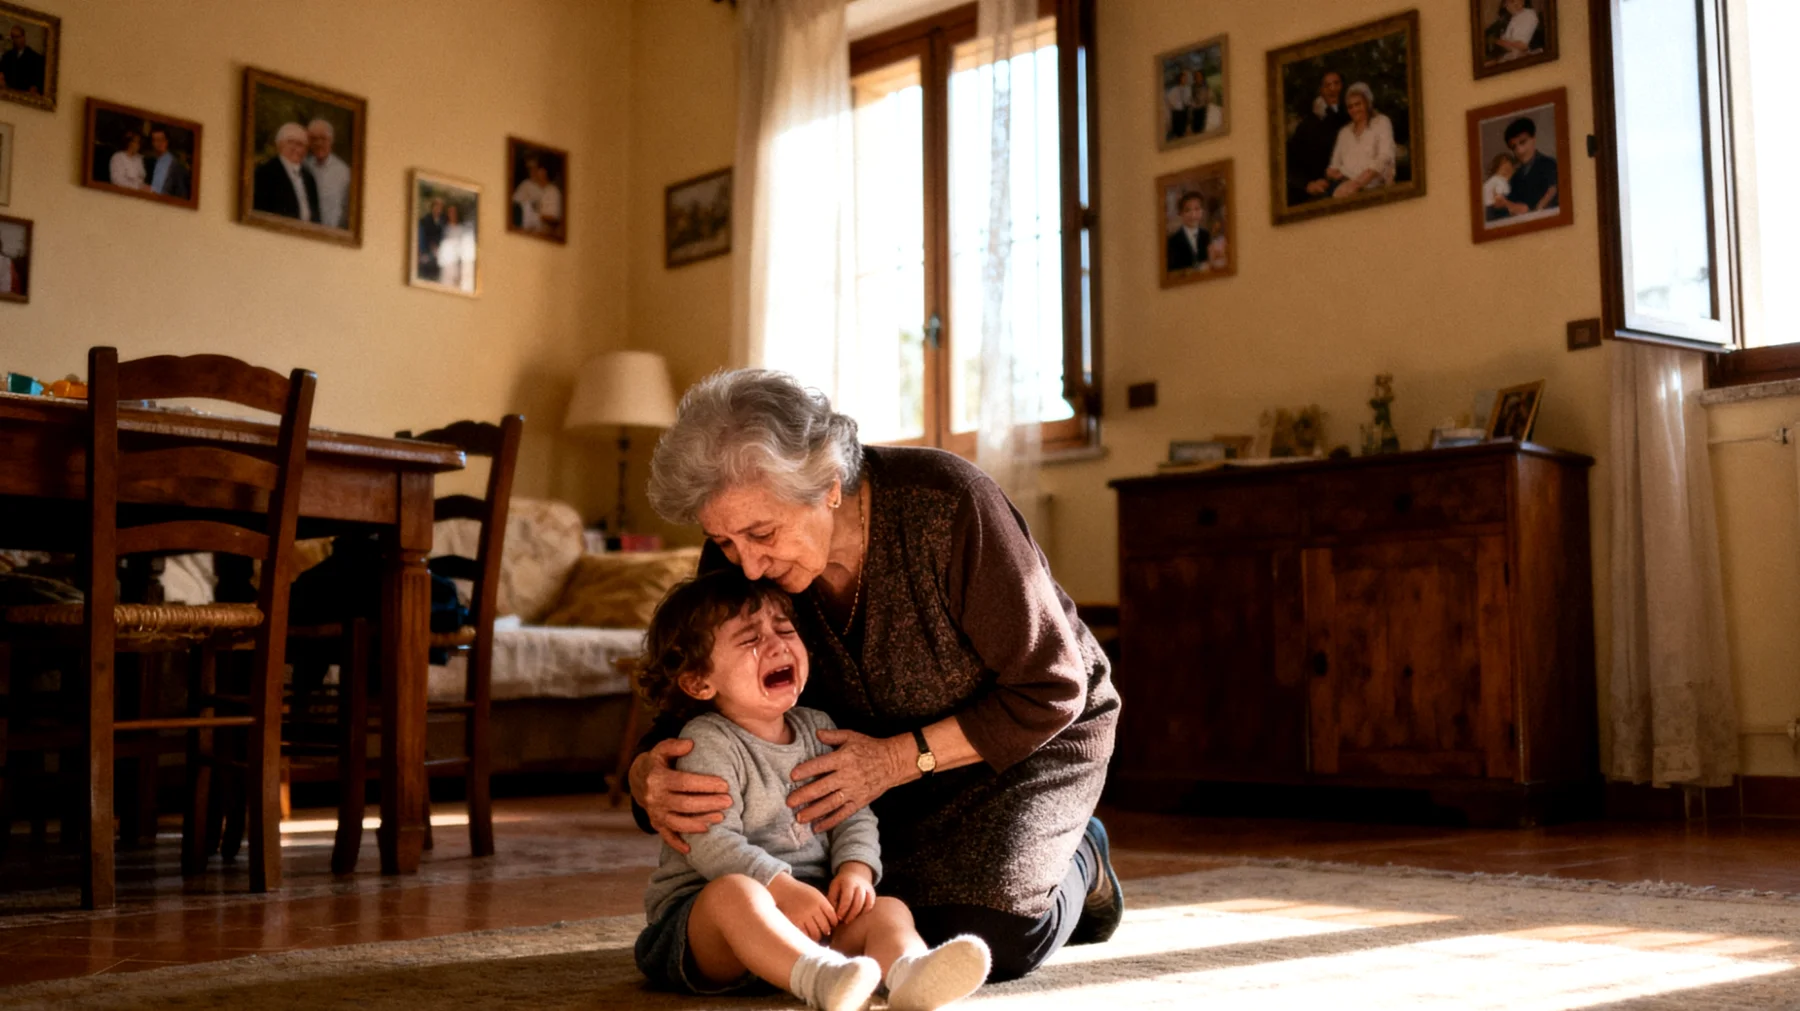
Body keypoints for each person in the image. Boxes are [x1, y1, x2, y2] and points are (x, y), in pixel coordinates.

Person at [631, 369, 1123, 983]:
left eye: (762, 534)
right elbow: (691, 696)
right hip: (862, 778)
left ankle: (1083, 856)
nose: (748, 565)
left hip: (1020, 745)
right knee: (871, 919)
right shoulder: (741, 551)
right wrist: (648, 773)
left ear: (828, 486)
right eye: (725, 544)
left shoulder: (948, 505)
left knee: (988, 938)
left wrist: (894, 761)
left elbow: (1051, 688)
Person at [634, 569, 992, 1010]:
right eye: (750, 639)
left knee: (887, 908)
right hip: (706, 931)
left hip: (810, 912)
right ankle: (819, 979)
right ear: (699, 681)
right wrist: (781, 890)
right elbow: (710, 842)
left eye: (785, 630)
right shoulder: (706, 742)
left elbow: (853, 811)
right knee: (736, 894)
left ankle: (908, 973)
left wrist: (856, 869)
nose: (778, 644)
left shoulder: (818, 728)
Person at [1324, 81, 1396, 198]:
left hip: (1375, 186)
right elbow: (1334, 165)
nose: (1354, 110)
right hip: (1346, 185)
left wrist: (1358, 183)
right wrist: (1332, 172)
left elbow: (1385, 157)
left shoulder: (1381, 122)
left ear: (1367, 104)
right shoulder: (1344, 133)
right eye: (1350, 107)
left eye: (1358, 104)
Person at [1288, 69, 1350, 204]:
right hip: (1318, 192)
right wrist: (1307, 184)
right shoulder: (1308, 125)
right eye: (1327, 85)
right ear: (1321, 90)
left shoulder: (1352, 116)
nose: (1333, 89)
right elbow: (1290, 164)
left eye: (1336, 83)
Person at [252, 122, 319, 222]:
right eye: (291, 142)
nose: (296, 148)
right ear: (279, 144)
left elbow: (317, 218)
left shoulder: (309, 178)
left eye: (301, 144)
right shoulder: (265, 172)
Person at [1498, 116, 1558, 217]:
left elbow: (1554, 197)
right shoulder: (1514, 178)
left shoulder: (1550, 164)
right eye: (1514, 147)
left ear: (1533, 139)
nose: (1519, 150)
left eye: (1523, 142)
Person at [304, 118, 351, 229]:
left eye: (323, 139)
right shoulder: (304, 167)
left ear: (331, 140)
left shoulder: (344, 172)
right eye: (314, 139)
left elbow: (347, 210)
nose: (319, 143)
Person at [512, 157, 563, 236]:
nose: (534, 172)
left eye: (537, 169)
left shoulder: (553, 191)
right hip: (526, 232)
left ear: (544, 172)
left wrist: (536, 217)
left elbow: (554, 219)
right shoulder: (526, 184)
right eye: (530, 169)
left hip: (545, 235)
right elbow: (514, 205)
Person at [1165, 191, 1210, 273]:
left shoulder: (1207, 235)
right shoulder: (1173, 241)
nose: (1193, 215)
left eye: (1197, 209)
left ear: (1202, 211)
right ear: (1180, 213)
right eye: (1187, 210)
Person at [437, 202, 476, 290]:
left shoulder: (462, 229)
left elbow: (464, 249)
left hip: (457, 263)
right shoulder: (443, 228)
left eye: (454, 212)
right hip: (445, 263)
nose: (452, 214)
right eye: (450, 212)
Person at [0, 25, 44, 95]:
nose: (15, 40)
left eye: (17, 37)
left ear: (23, 37)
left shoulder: (35, 58)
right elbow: (2, 72)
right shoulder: (7, 56)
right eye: (13, 37)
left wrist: (35, 87)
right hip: (8, 93)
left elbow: (38, 81)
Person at [146, 128, 190, 199]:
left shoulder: (176, 165)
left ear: (167, 141)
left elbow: (182, 194)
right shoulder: (150, 162)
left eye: (161, 140)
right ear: (152, 143)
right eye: (156, 140)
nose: (159, 143)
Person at [417, 197, 447, 282]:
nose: (438, 209)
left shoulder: (444, 221)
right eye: (436, 206)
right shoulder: (424, 220)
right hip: (426, 254)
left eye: (440, 207)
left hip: (440, 255)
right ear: (432, 207)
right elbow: (421, 238)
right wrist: (424, 251)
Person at [1483, 151, 1518, 222]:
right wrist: (1511, 209)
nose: (1507, 174)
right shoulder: (1500, 180)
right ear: (1496, 169)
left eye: (1509, 170)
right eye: (1504, 169)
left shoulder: (1492, 180)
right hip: (1492, 210)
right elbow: (1498, 200)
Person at [1164, 69, 1191, 142]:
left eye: (1186, 78)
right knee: (1178, 131)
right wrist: (1174, 107)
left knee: (1184, 128)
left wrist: (1188, 105)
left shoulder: (1187, 88)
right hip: (1177, 112)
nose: (1185, 79)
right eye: (1183, 78)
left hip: (1185, 110)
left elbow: (1188, 99)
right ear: (1180, 79)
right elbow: (1168, 99)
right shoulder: (1174, 89)